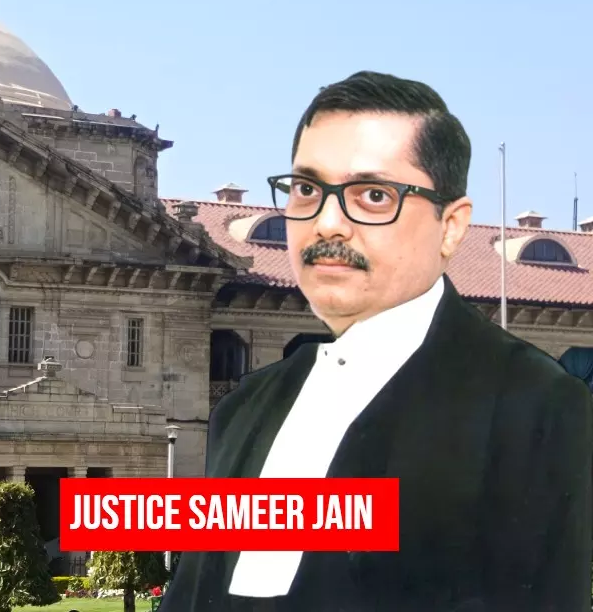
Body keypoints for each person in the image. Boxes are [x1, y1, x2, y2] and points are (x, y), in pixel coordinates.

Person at [164, 71, 593, 611]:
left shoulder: (536, 405)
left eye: (372, 195)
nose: (327, 223)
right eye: (306, 189)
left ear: (451, 226)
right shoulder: (244, 410)